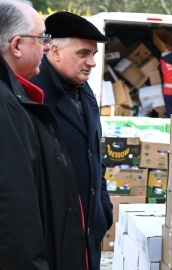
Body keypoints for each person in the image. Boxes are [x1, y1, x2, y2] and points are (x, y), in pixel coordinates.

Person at [1, 1, 87, 269]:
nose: (47, 46)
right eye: (41, 38)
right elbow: (14, 208)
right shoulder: (6, 105)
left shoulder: (16, 96)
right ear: (16, 46)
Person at [30, 11, 113, 270]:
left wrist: (102, 209)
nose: (92, 62)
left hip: (88, 233)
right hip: (51, 240)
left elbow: (94, 157)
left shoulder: (84, 92)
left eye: (93, 54)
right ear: (54, 51)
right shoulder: (33, 95)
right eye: (83, 54)